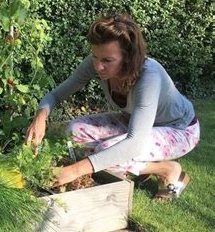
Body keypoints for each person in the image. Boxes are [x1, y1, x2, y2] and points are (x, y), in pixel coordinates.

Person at [25, 13, 200, 201]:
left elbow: (134, 142)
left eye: (107, 61)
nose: (98, 66)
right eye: (95, 57)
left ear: (128, 58)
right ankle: (140, 165)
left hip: (180, 130)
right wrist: (40, 117)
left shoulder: (149, 76)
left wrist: (74, 171)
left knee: (106, 152)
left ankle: (167, 169)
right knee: (73, 131)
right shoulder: (97, 62)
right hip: (134, 122)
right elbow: (55, 95)